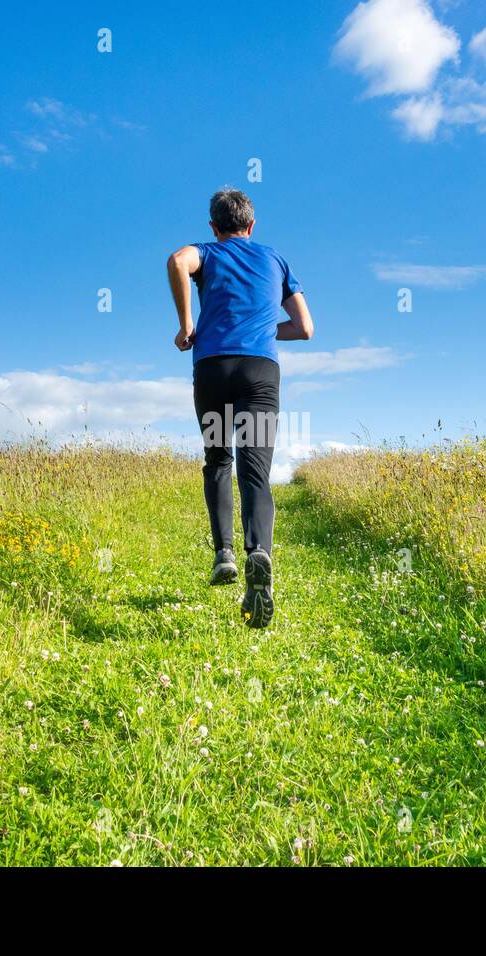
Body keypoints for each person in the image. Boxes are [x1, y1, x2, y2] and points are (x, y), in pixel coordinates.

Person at [166, 188, 314, 627]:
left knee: (218, 459)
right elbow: (305, 328)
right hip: (259, 373)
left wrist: (187, 326)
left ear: (213, 226)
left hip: (213, 369)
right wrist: (266, 330)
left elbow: (177, 261)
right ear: (252, 226)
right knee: (255, 469)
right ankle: (260, 553)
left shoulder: (207, 253)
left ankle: (224, 555)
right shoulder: (274, 259)